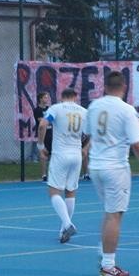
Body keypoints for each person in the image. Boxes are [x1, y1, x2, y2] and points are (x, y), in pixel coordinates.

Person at [86, 71, 139, 276]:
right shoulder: (126, 110)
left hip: (96, 166)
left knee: (110, 212)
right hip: (115, 167)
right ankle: (108, 265)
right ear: (124, 87)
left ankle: (103, 250)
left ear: (105, 87)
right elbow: (137, 143)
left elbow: (88, 134)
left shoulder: (94, 106)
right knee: (114, 214)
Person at [38, 88, 88, 243]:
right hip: (76, 154)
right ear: (75, 97)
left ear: (61, 97)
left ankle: (67, 224)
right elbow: (93, 132)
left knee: (54, 191)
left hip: (61, 154)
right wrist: (86, 148)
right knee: (70, 192)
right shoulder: (83, 111)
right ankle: (63, 231)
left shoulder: (56, 108)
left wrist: (40, 145)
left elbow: (42, 125)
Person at [33, 92, 53, 181]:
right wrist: (49, 120)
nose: (47, 99)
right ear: (40, 99)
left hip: (51, 134)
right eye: (45, 97)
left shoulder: (50, 109)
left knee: (54, 155)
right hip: (42, 135)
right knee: (43, 156)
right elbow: (42, 121)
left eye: (47, 97)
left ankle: (53, 174)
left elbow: (53, 120)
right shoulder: (37, 110)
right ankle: (44, 175)